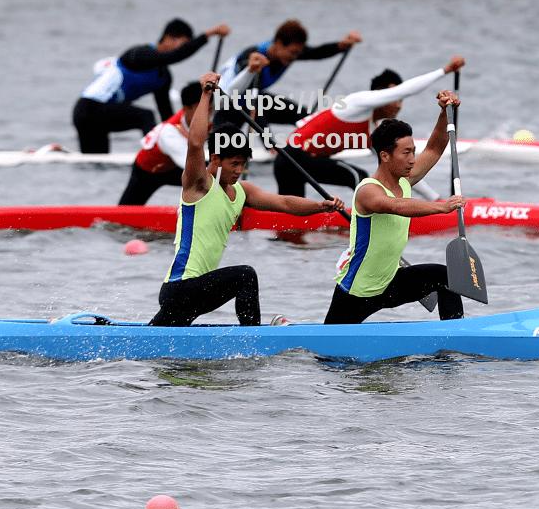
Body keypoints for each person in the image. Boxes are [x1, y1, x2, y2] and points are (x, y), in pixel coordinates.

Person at [149, 72, 344, 327]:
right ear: (216, 159)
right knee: (245, 275)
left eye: (243, 164)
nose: (239, 170)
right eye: (234, 163)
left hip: (197, 291)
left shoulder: (243, 192)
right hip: (181, 287)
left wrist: (320, 206)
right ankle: (253, 339)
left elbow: (284, 203)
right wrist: (206, 94)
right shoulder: (199, 184)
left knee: (161, 340)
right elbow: (196, 144)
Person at [324, 92, 466, 324]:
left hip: (390, 282)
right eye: (406, 153)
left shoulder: (404, 180)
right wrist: (441, 208)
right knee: (328, 356)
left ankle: (454, 336)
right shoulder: (367, 191)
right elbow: (396, 206)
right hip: (358, 290)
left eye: (413, 152)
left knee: (445, 276)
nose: (412, 159)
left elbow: (435, 148)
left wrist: (446, 112)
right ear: (385, 156)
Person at [274, 55, 465, 196]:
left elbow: (398, 169)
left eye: (400, 100)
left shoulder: (376, 131)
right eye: (394, 98)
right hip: (292, 156)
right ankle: (367, 218)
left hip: (295, 162)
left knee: (294, 224)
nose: (398, 104)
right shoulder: (357, 103)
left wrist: (435, 199)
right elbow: (405, 90)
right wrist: (444, 71)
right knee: (359, 176)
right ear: (380, 95)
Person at [118, 52, 270, 205]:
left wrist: (250, 70)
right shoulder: (170, 133)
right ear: (187, 108)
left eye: (209, 108)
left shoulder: (207, 108)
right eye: (202, 108)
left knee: (218, 178)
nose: (207, 113)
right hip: (148, 172)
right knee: (124, 210)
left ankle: (229, 206)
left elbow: (231, 91)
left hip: (177, 166)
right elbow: (194, 170)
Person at [72, 18, 229, 153]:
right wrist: (210, 34)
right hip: (87, 109)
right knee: (145, 116)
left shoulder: (163, 78)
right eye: (183, 45)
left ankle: (161, 155)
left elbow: (166, 117)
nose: (182, 50)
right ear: (168, 38)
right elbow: (176, 56)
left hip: (104, 117)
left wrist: (186, 137)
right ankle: (154, 155)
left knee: (98, 163)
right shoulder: (139, 54)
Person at [215, 19, 362, 127]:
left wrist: (341, 46)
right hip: (226, 106)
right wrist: (268, 141)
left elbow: (317, 52)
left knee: (304, 116)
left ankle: (312, 145)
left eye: (298, 53)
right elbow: (251, 105)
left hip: (255, 102)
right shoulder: (253, 58)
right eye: (292, 53)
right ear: (278, 43)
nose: (294, 57)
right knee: (231, 143)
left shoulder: (289, 52)